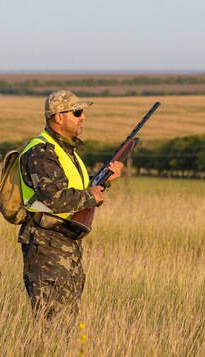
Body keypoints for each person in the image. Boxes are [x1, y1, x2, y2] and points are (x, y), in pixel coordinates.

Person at [18, 90, 123, 319]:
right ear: (58, 117)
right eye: (77, 112)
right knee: (53, 322)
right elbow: (54, 198)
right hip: (46, 245)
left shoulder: (66, 151)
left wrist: (103, 183)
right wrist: (91, 196)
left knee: (67, 321)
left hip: (64, 243)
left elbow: (79, 192)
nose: (83, 117)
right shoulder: (42, 151)